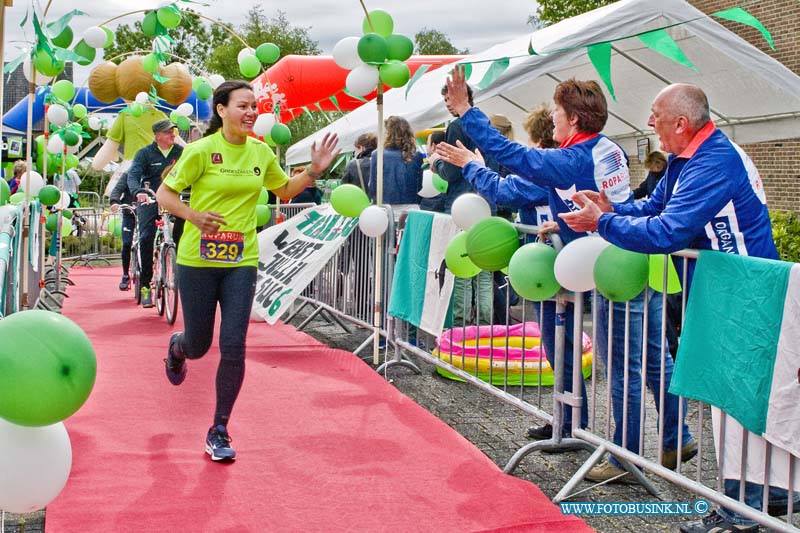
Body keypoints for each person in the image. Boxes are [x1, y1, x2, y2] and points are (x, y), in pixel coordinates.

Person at [437, 67, 696, 482]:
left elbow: (518, 160)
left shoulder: (575, 156)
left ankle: (625, 458)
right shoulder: (604, 148)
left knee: (622, 366)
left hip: (615, 266)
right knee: (652, 358)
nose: (552, 119)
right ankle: (674, 435)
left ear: (573, 119)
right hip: (635, 258)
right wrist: (566, 221)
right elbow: (602, 199)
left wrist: (468, 118)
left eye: (557, 112)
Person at [559, 83, 793, 533]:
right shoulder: (689, 158)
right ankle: (769, 496)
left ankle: (743, 513)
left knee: (736, 401)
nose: (649, 123)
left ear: (681, 124)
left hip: (745, 293)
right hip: (729, 290)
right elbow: (655, 206)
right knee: (734, 401)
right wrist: (614, 209)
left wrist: (602, 223)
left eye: (655, 115)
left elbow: (667, 232)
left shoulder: (712, 161)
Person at [155, 80, 340, 462]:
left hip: (241, 260)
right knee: (201, 344)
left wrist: (314, 172)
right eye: (242, 106)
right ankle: (179, 347)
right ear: (221, 110)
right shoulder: (202, 151)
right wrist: (193, 215)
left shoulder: (259, 151)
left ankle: (219, 428)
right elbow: (165, 194)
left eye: (254, 106)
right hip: (198, 261)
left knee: (235, 345)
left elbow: (284, 189)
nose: (251, 112)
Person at [430, 81, 492, 326]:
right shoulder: (484, 122)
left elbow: (453, 172)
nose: (448, 106)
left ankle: (461, 329)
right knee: (485, 272)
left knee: (463, 270)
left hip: (462, 205)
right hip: (486, 202)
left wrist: (436, 164)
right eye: (445, 102)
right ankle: (488, 328)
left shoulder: (457, 127)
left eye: (450, 101)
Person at [127, 119, 184, 308]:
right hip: (150, 199)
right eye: (168, 132)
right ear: (158, 135)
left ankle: (175, 259)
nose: (173, 135)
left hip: (173, 199)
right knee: (146, 238)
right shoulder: (144, 154)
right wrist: (138, 192)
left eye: (173, 131)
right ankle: (145, 286)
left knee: (184, 229)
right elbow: (133, 175)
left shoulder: (180, 152)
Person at [368, 115, 423, 206]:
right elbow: (419, 186)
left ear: (388, 133)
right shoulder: (416, 155)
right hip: (411, 206)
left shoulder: (377, 155)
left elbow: (373, 188)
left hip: (385, 207)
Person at [109, 173, 136, 290]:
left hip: (146, 213)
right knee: (126, 243)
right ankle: (125, 274)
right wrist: (115, 202)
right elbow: (117, 190)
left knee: (147, 241)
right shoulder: (128, 175)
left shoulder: (152, 173)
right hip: (129, 213)